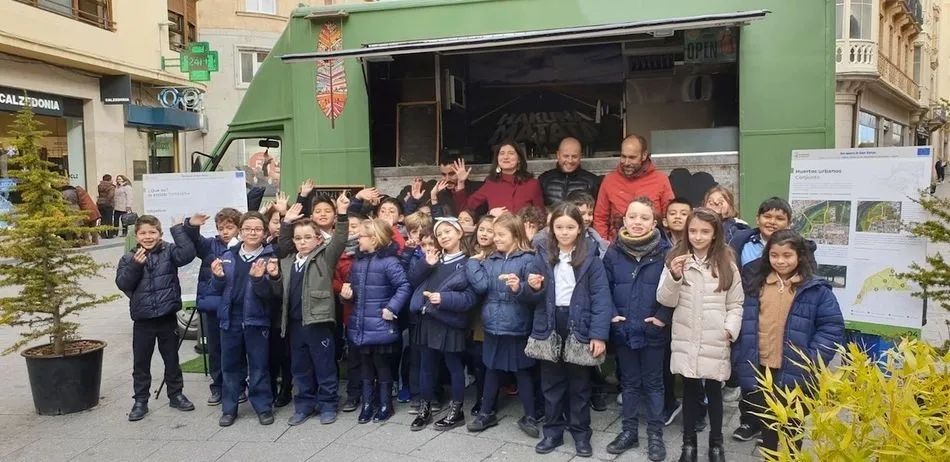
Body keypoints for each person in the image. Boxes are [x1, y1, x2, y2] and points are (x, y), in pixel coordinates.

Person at [735, 230, 844, 454]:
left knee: (793, 426)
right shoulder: (757, 285)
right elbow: (744, 323)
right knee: (768, 424)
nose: (781, 261)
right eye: (775, 255)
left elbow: (832, 327)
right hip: (762, 368)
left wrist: (811, 359)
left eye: (787, 255)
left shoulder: (815, 289)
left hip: (796, 370)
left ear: (800, 257)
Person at [657, 208, 743, 462]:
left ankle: (716, 444)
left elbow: (736, 302)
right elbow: (665, 299)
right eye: (693, 231)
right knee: (691, 391)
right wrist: (674, 276)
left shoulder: (726, 262)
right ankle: (688, 445)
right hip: (686, 335)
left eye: (705, 231)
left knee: (715, 392)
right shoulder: (676, 258)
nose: (698, 236)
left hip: (715, 337)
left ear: (715, 233)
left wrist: (730, 328)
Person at [531, 202, 610, 457]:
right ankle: (552, 432)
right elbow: (531, 295)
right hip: (551, 323)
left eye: (570, 227)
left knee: (579, 384)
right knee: (551, 383)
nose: (564, 232)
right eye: (559, 227)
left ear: (580, 229)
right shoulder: (542, 255)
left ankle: (580, 433)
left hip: (580, 324)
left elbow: (601, 298)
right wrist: (530, 286)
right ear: (551, 229)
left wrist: (599, 334)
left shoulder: (591, 259)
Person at [264, 193, 349, 426]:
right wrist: (286, 221)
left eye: (307, 237)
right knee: (300, 367)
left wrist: (341, 214)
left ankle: (328, 404)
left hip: (318, 322)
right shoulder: (289, 260)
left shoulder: (324, 258)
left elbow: (340, 239)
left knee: (324, 366)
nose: (302, 242)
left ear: (318, 240)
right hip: (294, 323)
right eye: (298, 238)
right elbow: (282, 244)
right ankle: (304, 404)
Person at [465, 212, 546, 436]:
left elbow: (535, 294)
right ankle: (486, 413)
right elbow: (481, 287)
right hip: (492, 324)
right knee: (492, 368)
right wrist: (473, 264)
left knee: (523, 371)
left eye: (501, 235)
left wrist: (519, 288)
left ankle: (530, 416)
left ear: (515, 234)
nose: (496, 238)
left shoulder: (528, 259)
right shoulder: (490, 259)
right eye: (494, 234)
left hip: (517, 324)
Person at [602, 198, 671, 460]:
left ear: (654, 223)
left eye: (644, 218)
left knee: (654, 385)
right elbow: (603, 288)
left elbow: (676, 288)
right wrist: (611, 315)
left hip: (653, 330)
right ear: (624, 220)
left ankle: (655, 435)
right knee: (629, 384)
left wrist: (662, 316)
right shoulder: (613, 252)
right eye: (633, 217)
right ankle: (629, 431)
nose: (638, 222)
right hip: (624, 330)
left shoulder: (666, 252)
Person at [115, 215, 198, 421]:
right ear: (137, 236)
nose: (148, 236)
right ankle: (140, 400)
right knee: (141, 362)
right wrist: (135, 266)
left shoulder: (169, 251)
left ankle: (175, 394)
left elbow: (188, 254)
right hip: (143, 320)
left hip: (166, 316)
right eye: (143, 233)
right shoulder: (128, 258)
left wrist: (178, 229)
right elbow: (123, 283)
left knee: (171, 358)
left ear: (160, 234)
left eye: (152, 232)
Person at [211, 211, 281, 427]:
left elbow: (273, 295)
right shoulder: (228, 255)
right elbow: (217, 289)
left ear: (265, 233)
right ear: (240, 232)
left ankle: (262, 406)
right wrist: (218, 277)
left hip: (257, 319)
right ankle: (229, 408)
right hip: (230, 318)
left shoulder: (270, 258)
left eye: (258, 229)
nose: (253, 232)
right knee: (230, 365)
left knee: (259, 366)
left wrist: (261, 280)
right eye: (248, 229)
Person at [407, 218, 477, 431]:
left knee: (454, 366)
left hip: (449, 321)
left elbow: (470, 298)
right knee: (426, 367)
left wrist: (444, 299)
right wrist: (425, 264)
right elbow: (412, 280)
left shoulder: (467, 262)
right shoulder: (434, 258)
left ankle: (457, 411)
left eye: (448, 232)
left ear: (459, 233)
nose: (443, 237)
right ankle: (425, 407)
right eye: (440, 234)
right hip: (428, 320)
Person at [340, 218, 412, 424]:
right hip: (361, 324)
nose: (357, 240)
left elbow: (404, 287)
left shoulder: (389, 262)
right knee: (365, 366)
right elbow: (353, 292)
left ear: (374, 238)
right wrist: (346, 296)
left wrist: (392, 307)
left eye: (361, 236)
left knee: (382, 366)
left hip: (380, 323)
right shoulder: (358, 263)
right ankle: (367, 404)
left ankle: (384, 404)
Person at [182, 207, 242, 407]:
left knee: (236, 348)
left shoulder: (243, 246)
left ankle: (239, 386)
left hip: (235, 306)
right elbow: (194, 239)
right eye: (221, 228)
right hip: (214, 305)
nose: (225, 232)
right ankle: (217, 387)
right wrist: (191, 225)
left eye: (230, 227)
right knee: (215, 348)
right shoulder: (210, 246)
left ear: (238, 228)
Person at [594, 135, 674, 242]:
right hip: (617, 247)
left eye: (632, 157)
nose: (626, 162)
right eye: (623, 156)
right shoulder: (610, 180)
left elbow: (669, 216)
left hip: (654, 247)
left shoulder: (660, 179)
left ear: (644, 155)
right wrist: (604, 247)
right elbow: (600, 218)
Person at [451, 140, 545, 216]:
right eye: (502, 153)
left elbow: (541, 215)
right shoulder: (490, 184)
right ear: (497, 159)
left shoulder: (532, 184)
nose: (506, 157)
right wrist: (461, 182)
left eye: (511, 153)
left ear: (519, 159)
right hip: (498, 236)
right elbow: (465, 209)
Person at [334, 212, 367, 412]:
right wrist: (346, 289)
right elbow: (333, 278)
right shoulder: (338, 253)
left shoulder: (371, 251)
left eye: (355, 226)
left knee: (372, 357)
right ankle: (353, 394)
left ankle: (372, 392)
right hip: (350, 311)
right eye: (347, 227)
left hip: (374, 312)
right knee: (354, 356)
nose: (351, 230)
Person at [538, 137, 601, 206]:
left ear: (580, 156)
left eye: (574, 156)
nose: (570, 160)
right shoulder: (544, 179)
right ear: (558, 155)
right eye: (565, 156)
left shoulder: (592, 181)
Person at [97, 174, 116, 239]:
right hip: (108, 205)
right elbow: (111, 195)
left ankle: (103, 234)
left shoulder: (100, 186)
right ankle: (110, 234)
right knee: (109, 219)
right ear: (110, 179)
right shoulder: (111, 187)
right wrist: (107, 202)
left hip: (100, 203)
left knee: (103, 219)